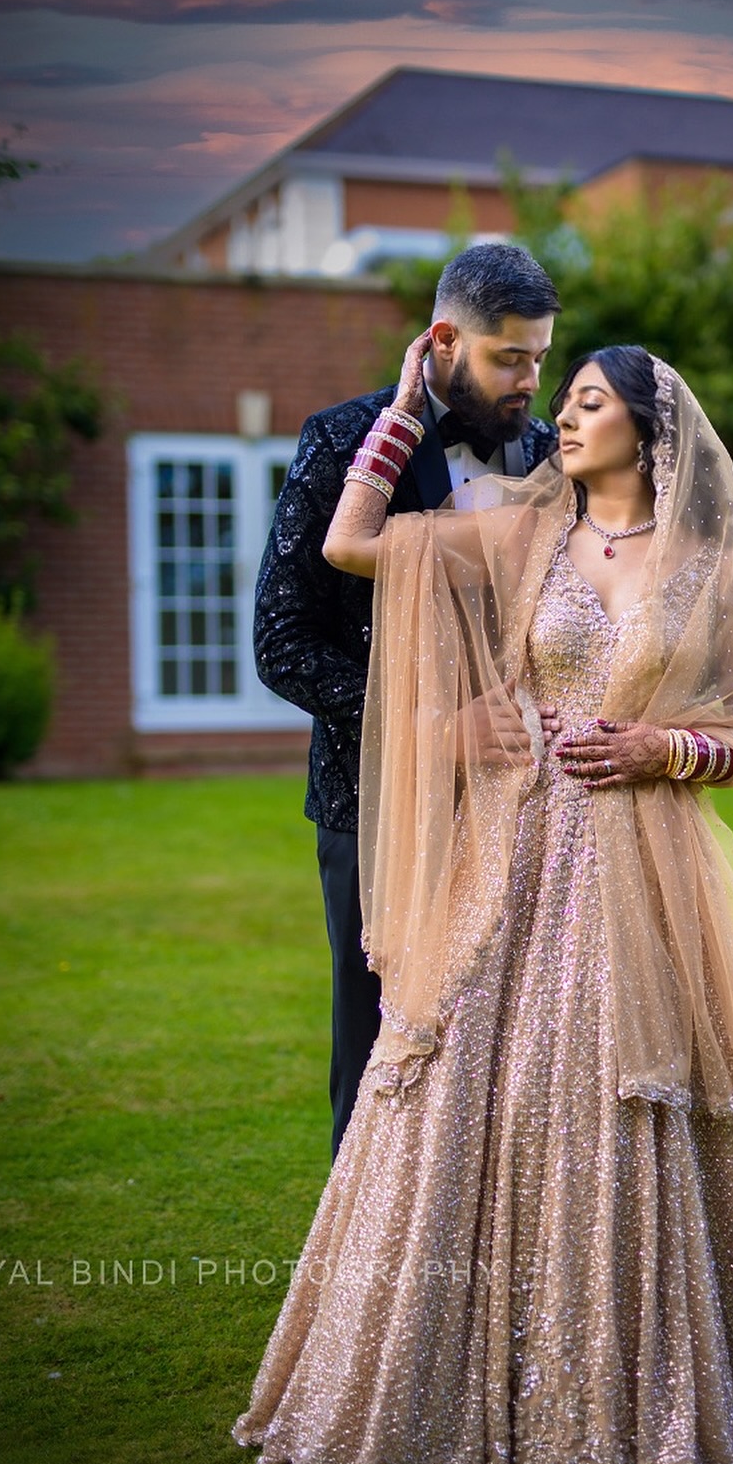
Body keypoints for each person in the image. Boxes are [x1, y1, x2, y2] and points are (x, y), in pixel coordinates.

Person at [232, 339, 733, 1464]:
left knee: (628, 1104)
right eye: (561, 398)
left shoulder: (711, 566)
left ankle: (627, 1406)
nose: (561, 417)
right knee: (472, 1094)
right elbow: (354, 543)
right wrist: (407, 412)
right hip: (514, 863)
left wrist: (666, 751)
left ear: (648, 426)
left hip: (645, 871)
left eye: (587, 401)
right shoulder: (527, 531)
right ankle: (443, 1394)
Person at [252, 243, 561, 1159]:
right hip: (375, 807)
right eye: (510, 357)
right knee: (382, 1049)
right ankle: (359, 1291)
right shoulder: (343, 438)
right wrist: (431, 724)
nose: (528, 381)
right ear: (442, 340)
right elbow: (281, 641)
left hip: (521, 806)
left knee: (512, 1054)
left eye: (541, 357)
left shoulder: (549, 454)